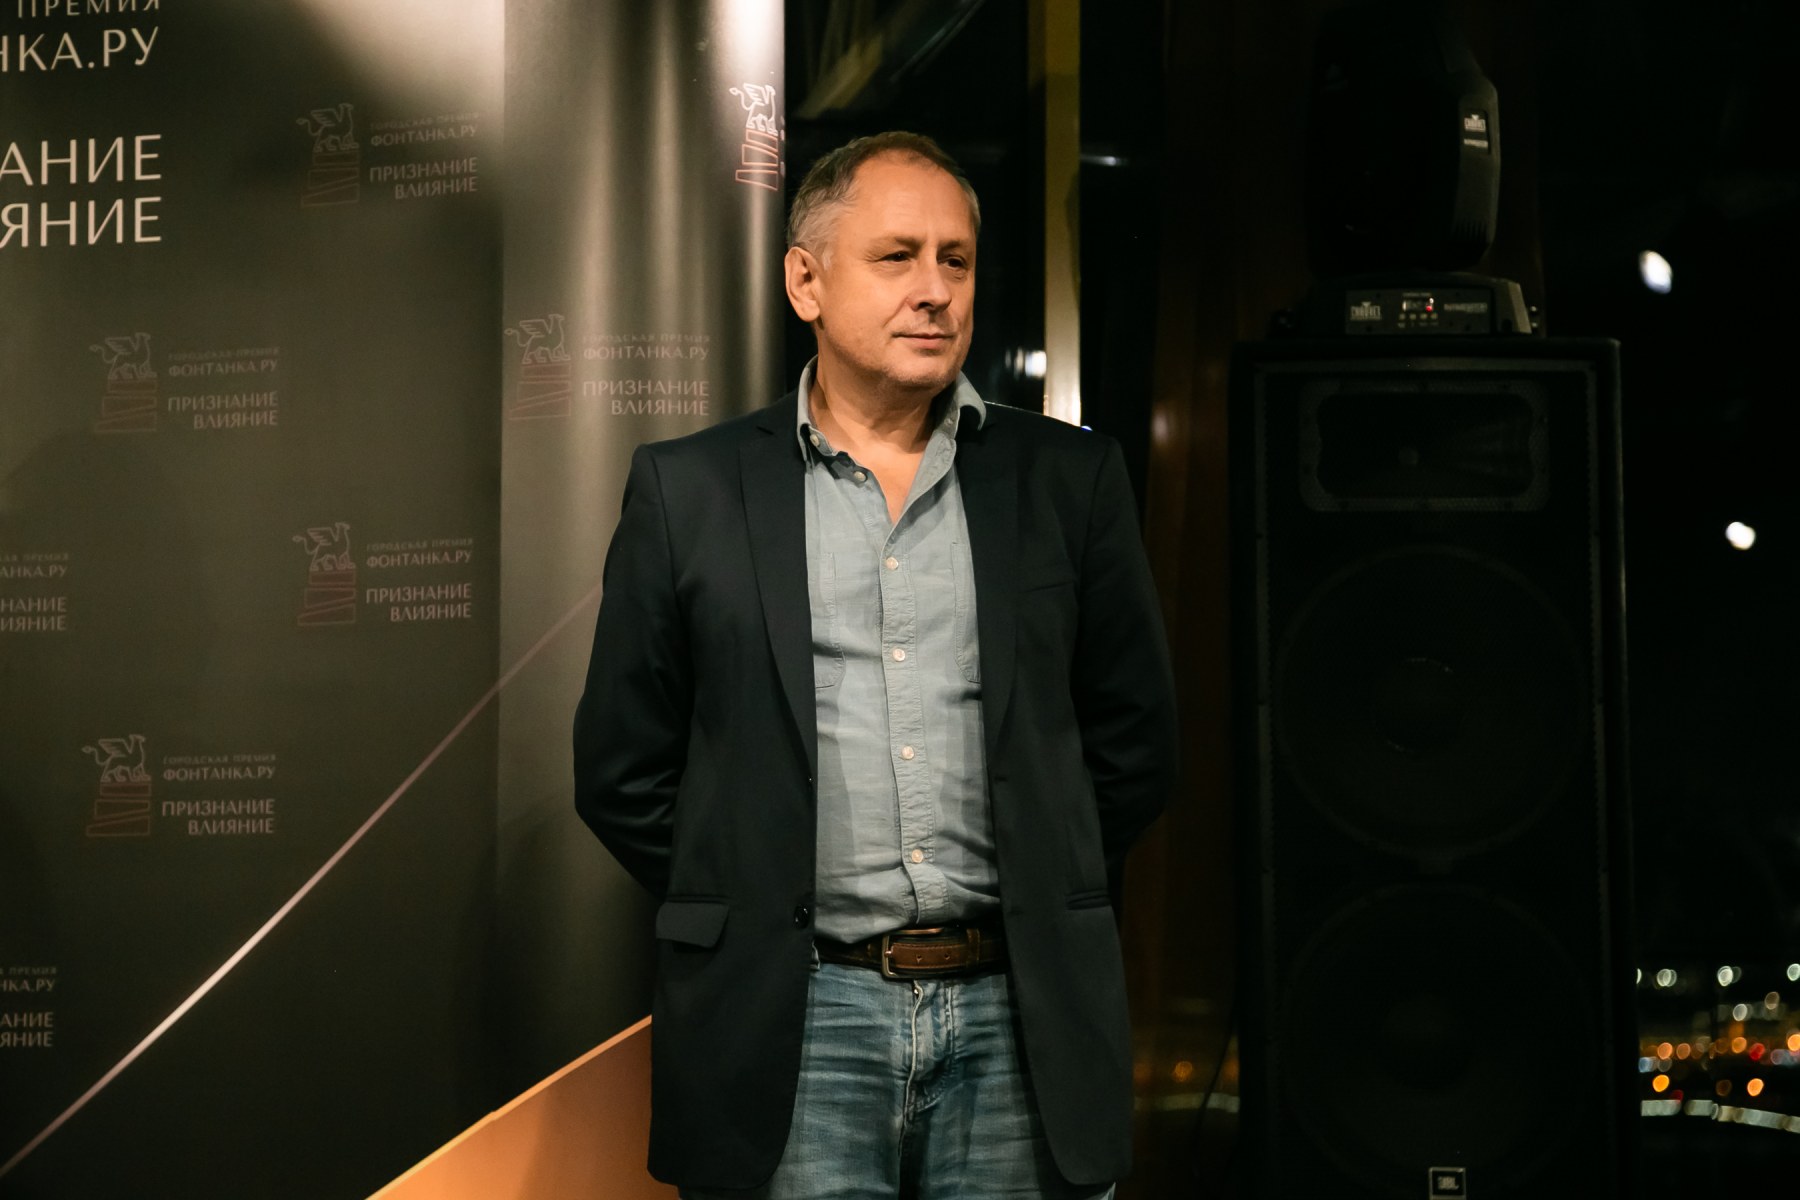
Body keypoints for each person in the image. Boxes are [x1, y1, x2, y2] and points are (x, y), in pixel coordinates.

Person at [573, 131, 1178, 1199]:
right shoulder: (690, 490)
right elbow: (624, 768)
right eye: (897, 257)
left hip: (1020, 1018)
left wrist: (1047, 874)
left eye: (956, 260)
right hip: (795, 1019)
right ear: (805, 281)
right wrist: (752, 890)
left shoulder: (1070, 480)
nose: (935, 289)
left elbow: (1135, 746)